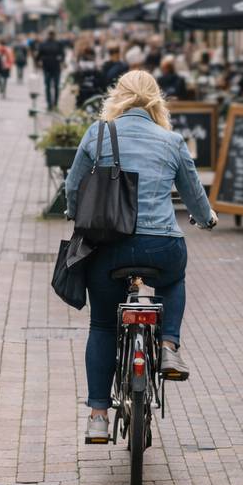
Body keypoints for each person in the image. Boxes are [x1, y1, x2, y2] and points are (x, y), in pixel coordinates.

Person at [64, 71, 216, 445]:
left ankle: (98, 417)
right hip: (160, 245)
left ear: (118, 96)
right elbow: (194, 194)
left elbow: (72, 186)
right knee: (173, 279)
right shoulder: (172, 140)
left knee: (102, 325)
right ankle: (167, 348)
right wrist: (206, 218)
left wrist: (72, 212)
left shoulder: (97, 134)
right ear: (155, 100)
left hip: (108, 246)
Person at [37, 29, 64, 112]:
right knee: (54, 86)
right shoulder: (58, 44)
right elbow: (62, 55)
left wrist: (38, 62)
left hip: (48, 67)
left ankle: (51, 104)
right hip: (54, 67)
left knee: (49, 86)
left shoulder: (44, 44)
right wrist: (60, 61)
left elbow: (38, 55)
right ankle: (53, 104)